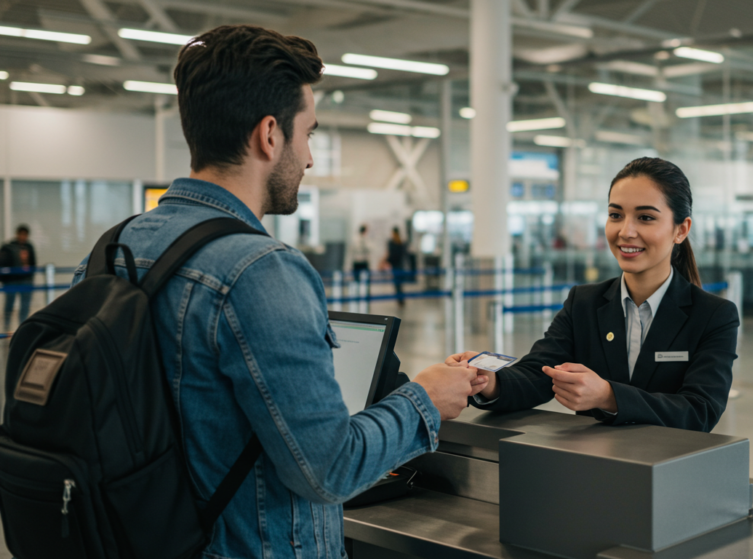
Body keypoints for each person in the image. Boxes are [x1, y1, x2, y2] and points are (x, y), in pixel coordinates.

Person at [70, 25, 487, 559]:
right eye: (308, 133)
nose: (309, 158)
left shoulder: (112, 249)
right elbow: (330, 470)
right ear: (269, 135)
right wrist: (424, 399)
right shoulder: (261, 271)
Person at [448, 157, 739, 431]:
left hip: (671, 472)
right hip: (594, 470)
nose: (626, 231)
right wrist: (489, 380)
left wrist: (609, 397)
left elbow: (700, 411)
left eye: (645, 218)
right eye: (616, 215)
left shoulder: (713, 315)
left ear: (681, 229)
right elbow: (539, 373)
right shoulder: (584, 303)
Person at [0, 224, 37, 331]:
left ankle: (22, 328)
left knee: (25, 306)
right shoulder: (9, 247)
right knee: (9, 305)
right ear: (17, 234)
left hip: (26, 281)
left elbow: (33, 263)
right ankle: (6, 328)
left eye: (25, 235)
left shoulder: (29, 247)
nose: (23, 237)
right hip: (12, 281)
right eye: (21, 234)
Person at [382, 226, 408, 307]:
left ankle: (400, 301)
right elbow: (404, 255)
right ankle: (401, 300)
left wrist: (385, 261)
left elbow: (391, 254)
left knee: (397, 285)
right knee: (399, 285)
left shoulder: (393, 242)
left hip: (396, 265)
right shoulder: (401, 243)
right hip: (400, 265)